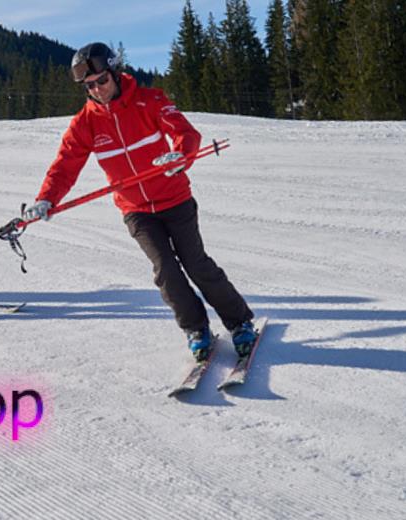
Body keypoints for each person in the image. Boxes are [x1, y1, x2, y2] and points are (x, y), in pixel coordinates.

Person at [23, 43, 257, 360]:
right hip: (136, 211)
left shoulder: (149, 100)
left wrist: (180, 156)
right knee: (166, 270)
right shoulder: (85, 123)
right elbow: (65, 166)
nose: (97, 89)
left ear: (115, 73)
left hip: (175, 199)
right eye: (89, 86)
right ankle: (196, 328)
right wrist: (46, 198)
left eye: (102, 80)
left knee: (196, 264)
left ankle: (239, 322)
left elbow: (186, 133)